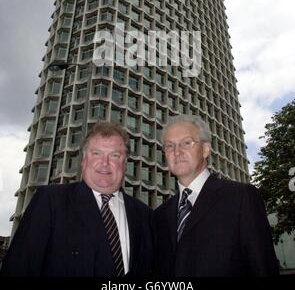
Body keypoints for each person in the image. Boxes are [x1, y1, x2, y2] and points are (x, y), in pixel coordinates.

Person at [1, 122, 153, 277]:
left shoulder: (145, 215)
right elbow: (18, 268)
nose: (105, 163)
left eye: (115, 155)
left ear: (125, 163)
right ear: (83, 160)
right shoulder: (50, 201)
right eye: (96, 153)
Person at [153, 114, 279, 277]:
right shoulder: (158, 216)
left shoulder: (241, 198)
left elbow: (263, 266)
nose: (177, 152)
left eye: (187, 143)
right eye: (170, 146)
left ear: (205, 149)